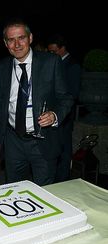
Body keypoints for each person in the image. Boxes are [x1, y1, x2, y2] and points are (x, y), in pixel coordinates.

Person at [0, 18, 73, 186]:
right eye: (11, 40)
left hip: (43, 140)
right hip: (13, 140)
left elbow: (66, 97)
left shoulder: (50, 62)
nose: (17, 44)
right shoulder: (0, 68)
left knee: (45, 192)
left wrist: (54, 115)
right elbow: (0, 107)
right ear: (5, 43)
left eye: (21, 38)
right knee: (14, 189)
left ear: (30, 38)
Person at [47, 34, 81, 182]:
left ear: (63, 48)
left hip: (65, 116)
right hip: (52, 115)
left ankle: (63, 181)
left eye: (54, 51)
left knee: (65, 150)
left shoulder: (72, 65)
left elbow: (73, 93)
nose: (51, 54)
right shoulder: (53, 63)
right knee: (54, 149)